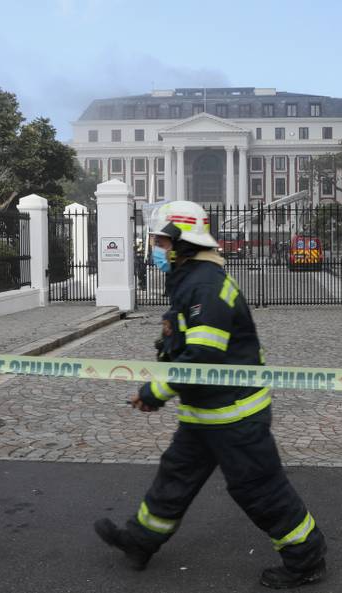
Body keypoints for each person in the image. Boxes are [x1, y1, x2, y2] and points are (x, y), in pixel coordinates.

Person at [95, 201, 327, 589]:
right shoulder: (191, 280)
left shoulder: (205, 285)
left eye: (159, 241)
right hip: (205, 412)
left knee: (258, 488)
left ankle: (306, 558)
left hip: (234, 414)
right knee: (175, 476)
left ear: (181, 242)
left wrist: (155, 392)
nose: (154, 247)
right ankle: (140, 541)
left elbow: (203, 355)